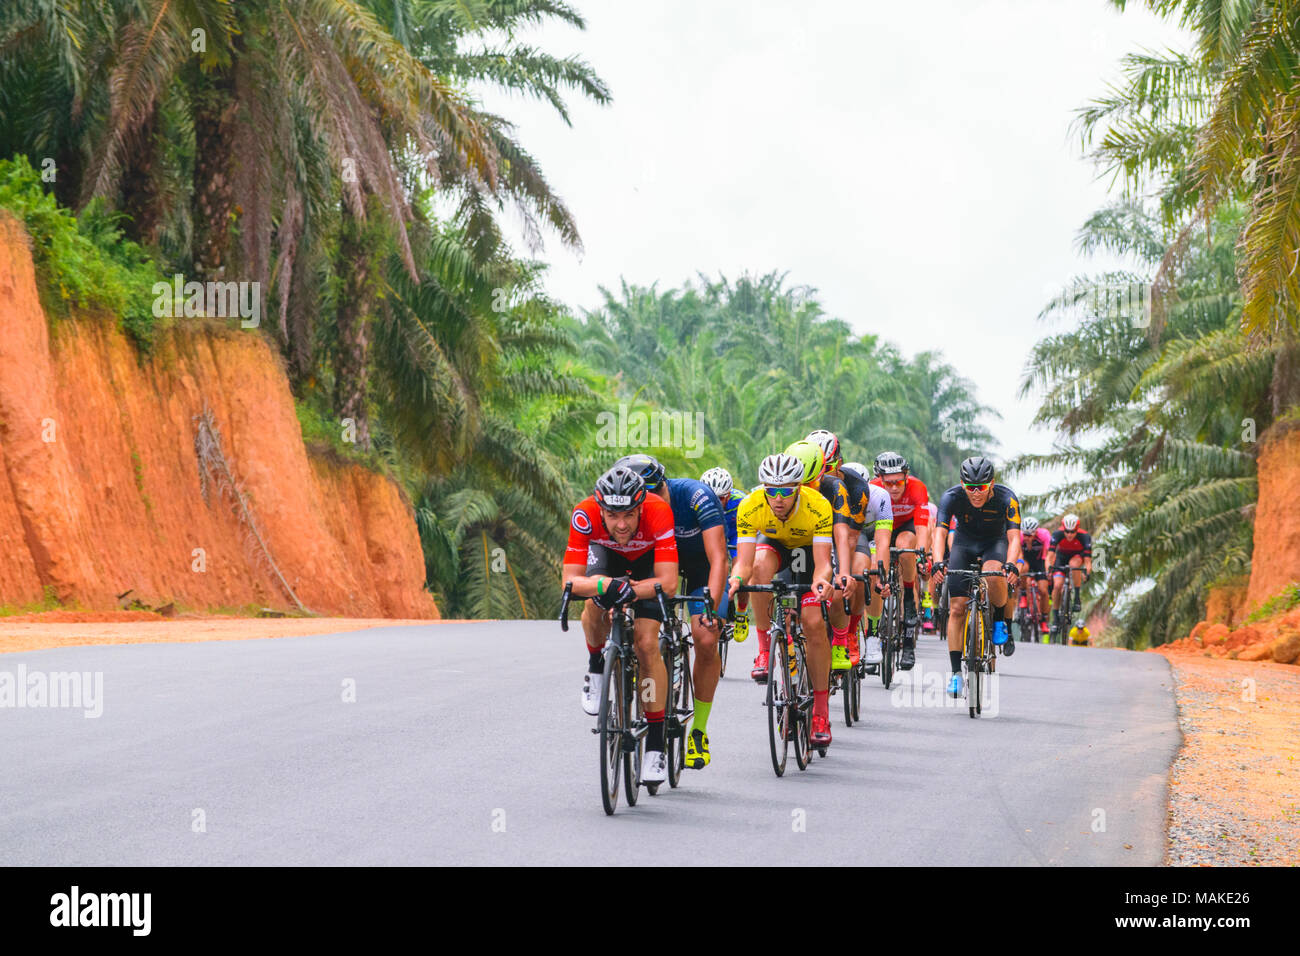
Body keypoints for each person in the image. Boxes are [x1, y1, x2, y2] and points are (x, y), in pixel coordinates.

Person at [562, 465, 679, 782]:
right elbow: (570, 582)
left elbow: (668, 583)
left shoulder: (659, 511)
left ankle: (655, 745)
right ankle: (596, 664)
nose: (622, 524)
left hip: (646, 562)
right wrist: (603, 586)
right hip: (606, 557)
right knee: (592, 602)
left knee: (646, 644)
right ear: (600, 508)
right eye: (612, 516)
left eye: (629, 514)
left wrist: (632, 590)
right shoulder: (584, 514)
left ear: (641, 505)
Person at [618, 455, 728, 770]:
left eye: (658, 493)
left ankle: (699, 730)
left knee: (706, 638)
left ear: (667, 484)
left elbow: (718, 557)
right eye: (645, 499)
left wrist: (711, 603)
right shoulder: (634, 511)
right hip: (655, 568)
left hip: (699, 569)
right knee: (641, 637)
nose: (654, 503)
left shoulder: (696, 496)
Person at [727, 452, 837, 748]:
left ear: (798, 488)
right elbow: (745, 561)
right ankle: (764, 648)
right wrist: (737, 579)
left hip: (809, 552)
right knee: (758, 571)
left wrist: (821, 581)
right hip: (775, 547)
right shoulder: (751, 506)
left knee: (813, 623)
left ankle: (821, 714)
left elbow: (824, 562)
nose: (777, 498)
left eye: (785, 491)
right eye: (771, 490)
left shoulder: (818, 506)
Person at [929, 456, 1022, 698]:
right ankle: (955, 674)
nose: (976, 493)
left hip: (995, 543)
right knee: (957, 608)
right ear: (962, 484)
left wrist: (1011, 564)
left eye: (981, 487)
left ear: (991, 484)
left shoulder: (1007, 497)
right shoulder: (951, 497)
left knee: (993, 574)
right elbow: (939, 534)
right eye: (970, 488)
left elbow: (1014, 538)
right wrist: (938, 561)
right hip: (964, 544)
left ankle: (1000, 618)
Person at [1045, 513, 1092, 631]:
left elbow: (1087, 561)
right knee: (1057, 585)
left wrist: (1087, 572)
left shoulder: (1084, 537)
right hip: (1061, 558)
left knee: (1074, 564)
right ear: (1063, 529)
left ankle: (1076, 597)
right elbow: (1049, 556)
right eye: (1067, 531)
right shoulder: (1057, 534)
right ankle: (1055, 618)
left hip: (1077, 556)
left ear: (1077, 530)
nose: (1069, 534)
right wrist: (1048, 570)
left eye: (1072, 532)